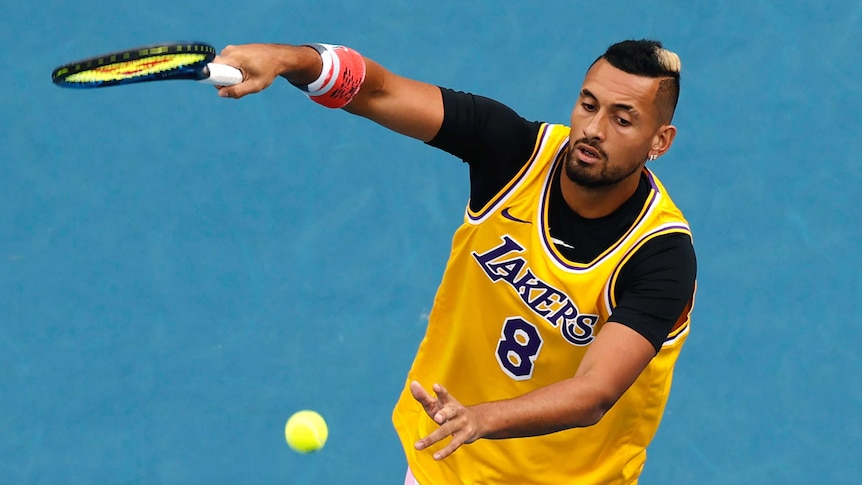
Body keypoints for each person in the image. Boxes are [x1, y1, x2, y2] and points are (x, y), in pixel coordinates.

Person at [214, 38, 697, 484]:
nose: (592, 129)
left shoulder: (661, 256)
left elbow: (595, 392)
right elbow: (380, 93)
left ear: (660, 141)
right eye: (588, 105)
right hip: (448, 461)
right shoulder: (513, 153)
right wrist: (288, 60)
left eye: (623, 119)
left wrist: (483, 418)